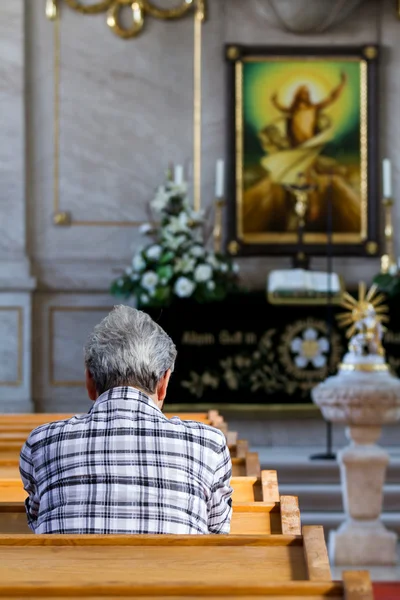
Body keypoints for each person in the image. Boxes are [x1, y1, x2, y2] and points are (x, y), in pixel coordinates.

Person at [19, 305, 232, 534]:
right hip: (174, 570)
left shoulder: (41, 442)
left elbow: (36, 520)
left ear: (89, 381)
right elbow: (218, 534)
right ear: (164, 383)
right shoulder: (208, 444)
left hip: (66, 571)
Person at [271, 72, 347, 147]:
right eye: (302, 92)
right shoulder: (292, 110)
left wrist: (342, 83)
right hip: (296, 144)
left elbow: (332, 97)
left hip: (310, 141)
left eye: (306, 92)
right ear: (297, 95)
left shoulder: (314, 108)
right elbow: (280, 107)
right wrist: (274, 101)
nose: (304, 94)